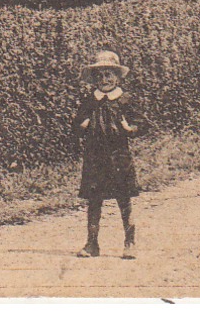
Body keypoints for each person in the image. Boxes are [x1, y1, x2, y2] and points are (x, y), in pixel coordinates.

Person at [74, 49, 139, 259]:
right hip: (95, 157)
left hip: (119, 156)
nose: (104, 79)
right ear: (94, 79)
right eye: (100, 75)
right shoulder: (89, 101)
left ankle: (130, 242)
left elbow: (142, 124)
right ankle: (92, 243)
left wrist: (131, 129)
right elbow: (75, 126)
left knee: (124, 199)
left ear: (117, 76)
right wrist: (81, 125)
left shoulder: (125, 100)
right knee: (94, 200)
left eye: (109, 74)